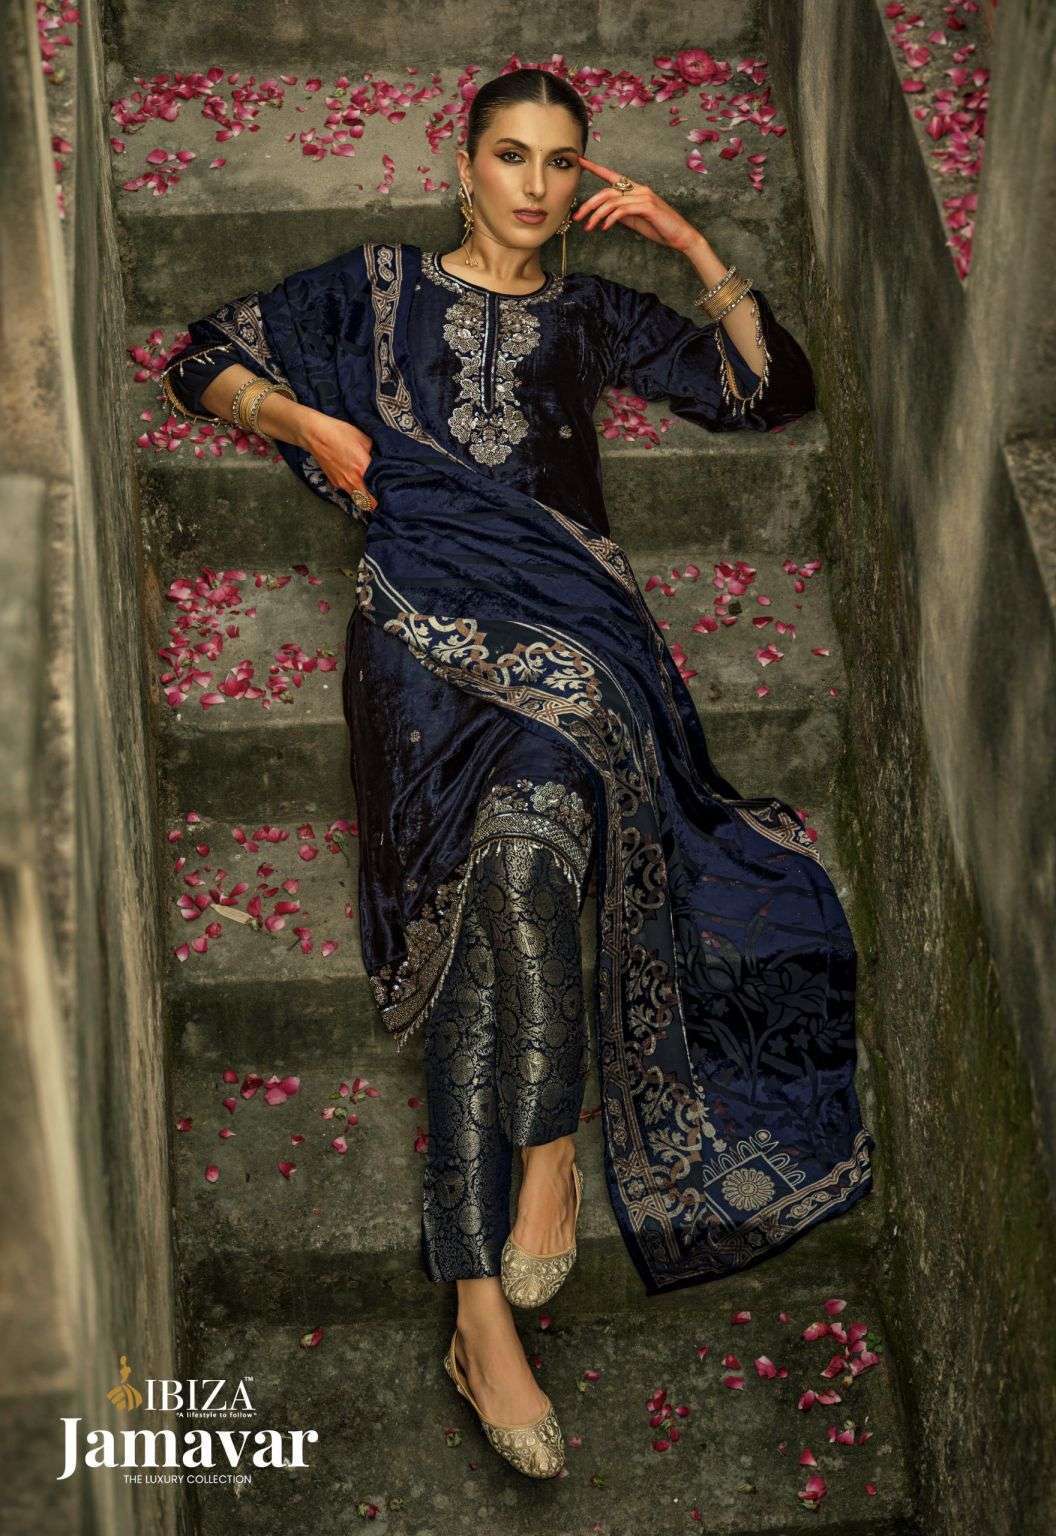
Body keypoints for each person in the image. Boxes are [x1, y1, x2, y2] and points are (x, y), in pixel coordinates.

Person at [161, 66, 876, 1480]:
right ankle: (488, 1298)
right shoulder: (376, 288)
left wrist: (687, 243)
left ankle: (533, 1185)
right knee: (492, 905)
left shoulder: (590, 313)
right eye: (511, 156)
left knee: (528, 854)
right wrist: (311, 427)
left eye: (561, 162)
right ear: (465, 163)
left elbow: (768, 390)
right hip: (419, 636)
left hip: (572, 638)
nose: (537, 187)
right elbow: (203, 356)